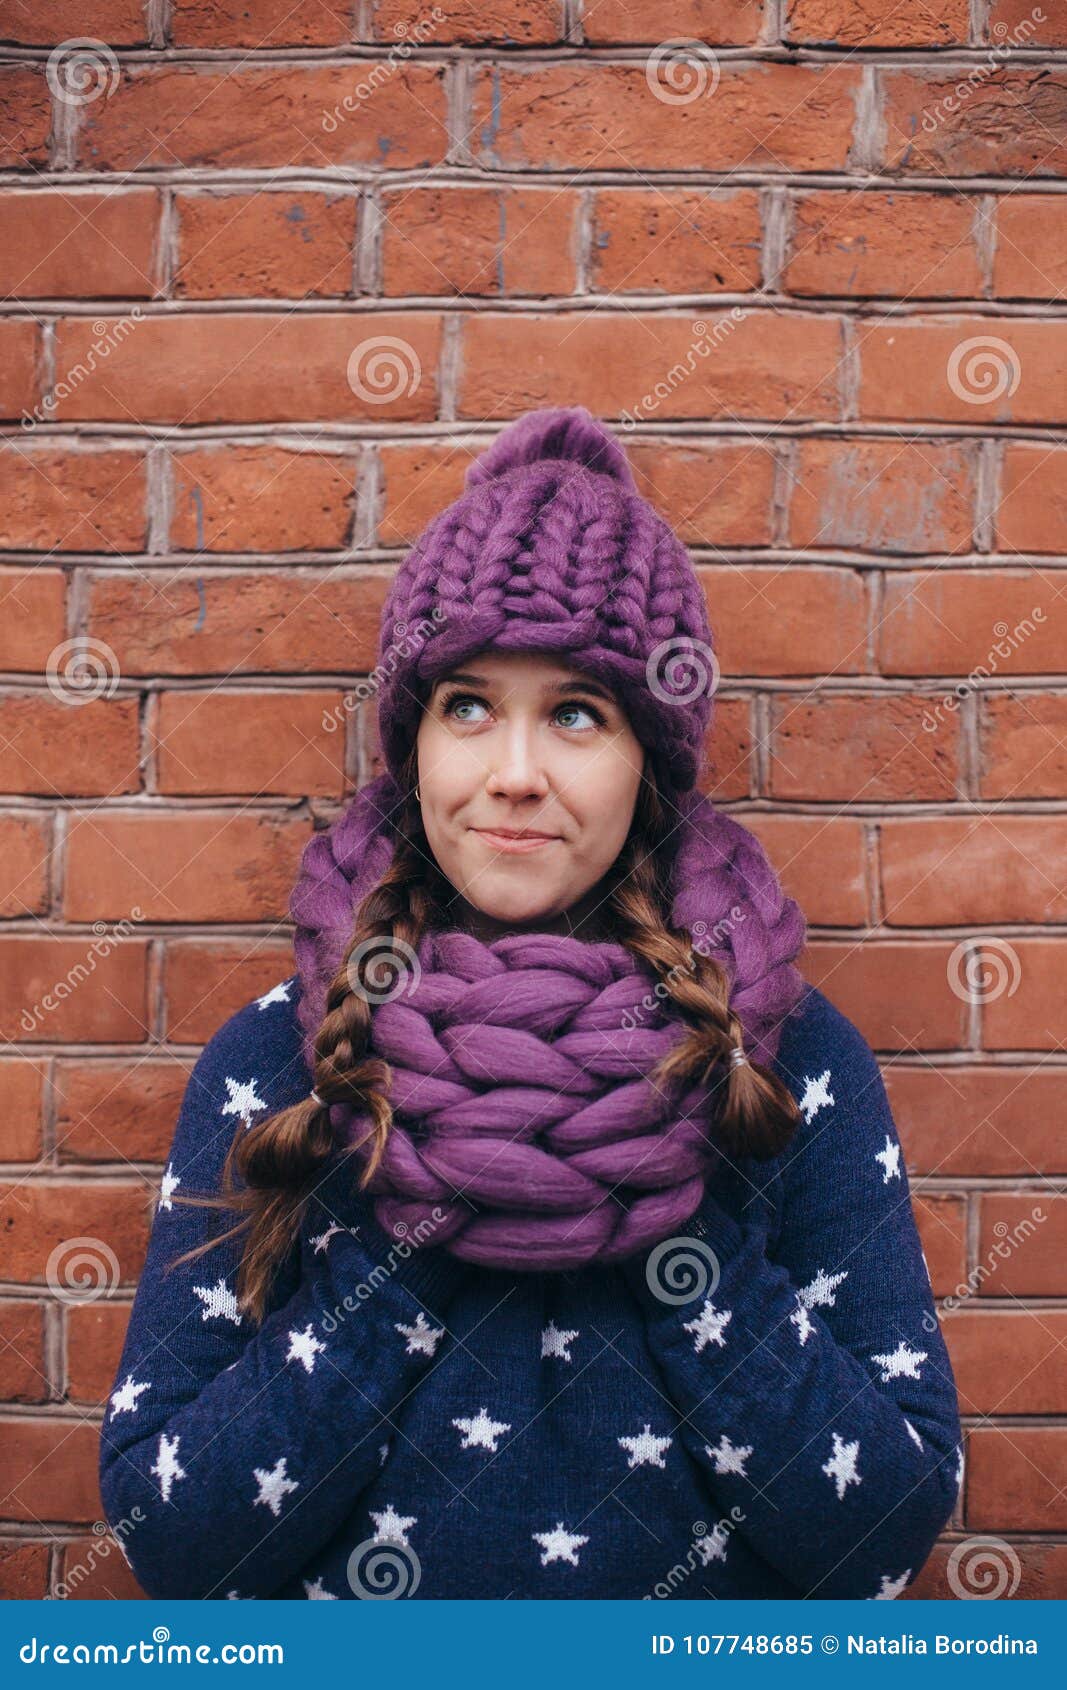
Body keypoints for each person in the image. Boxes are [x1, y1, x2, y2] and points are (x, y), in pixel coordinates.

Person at [98, 406, 963, 1601]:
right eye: (465, 704)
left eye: (574, 712)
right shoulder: (284, 1055)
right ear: (413, 747)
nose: (512, 772)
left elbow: (884, 1532)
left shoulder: (781, 1060)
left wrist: (641, 1161)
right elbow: (172, 1537)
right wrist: (437, 1188)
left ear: (647, 763)